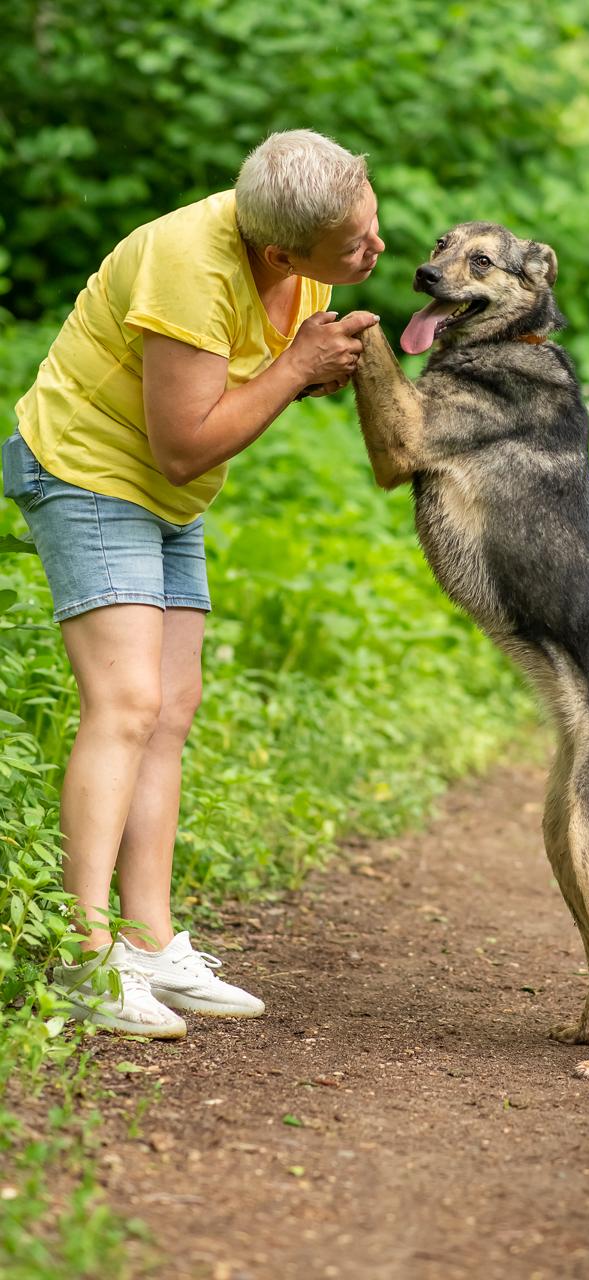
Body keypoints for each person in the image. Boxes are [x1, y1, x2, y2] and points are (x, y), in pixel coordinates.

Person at [1, 129, 384, 1038]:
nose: (377, 250)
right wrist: (295, 370)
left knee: (173, 704)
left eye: (373, 226)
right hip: (96, 471)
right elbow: (182, 447)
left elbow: (229, 393)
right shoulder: (189, 269)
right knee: (126, 702)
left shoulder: (307, 251)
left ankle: (150, 941)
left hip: (169, 493)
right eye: (356, 245)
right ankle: (86, 957)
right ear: (280, 250)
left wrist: (304, 367)